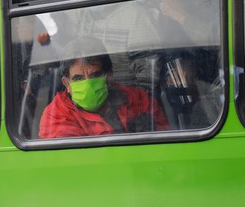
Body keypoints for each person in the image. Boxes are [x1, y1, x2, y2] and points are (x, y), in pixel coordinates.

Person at [38, 38, 169, 139]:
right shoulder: (56, 115)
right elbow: (76, 163)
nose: (88, 84)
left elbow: (164, 141)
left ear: (109, 75)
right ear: (66, 83)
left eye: (95, 75)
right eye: (78, 78)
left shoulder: (137, 99)